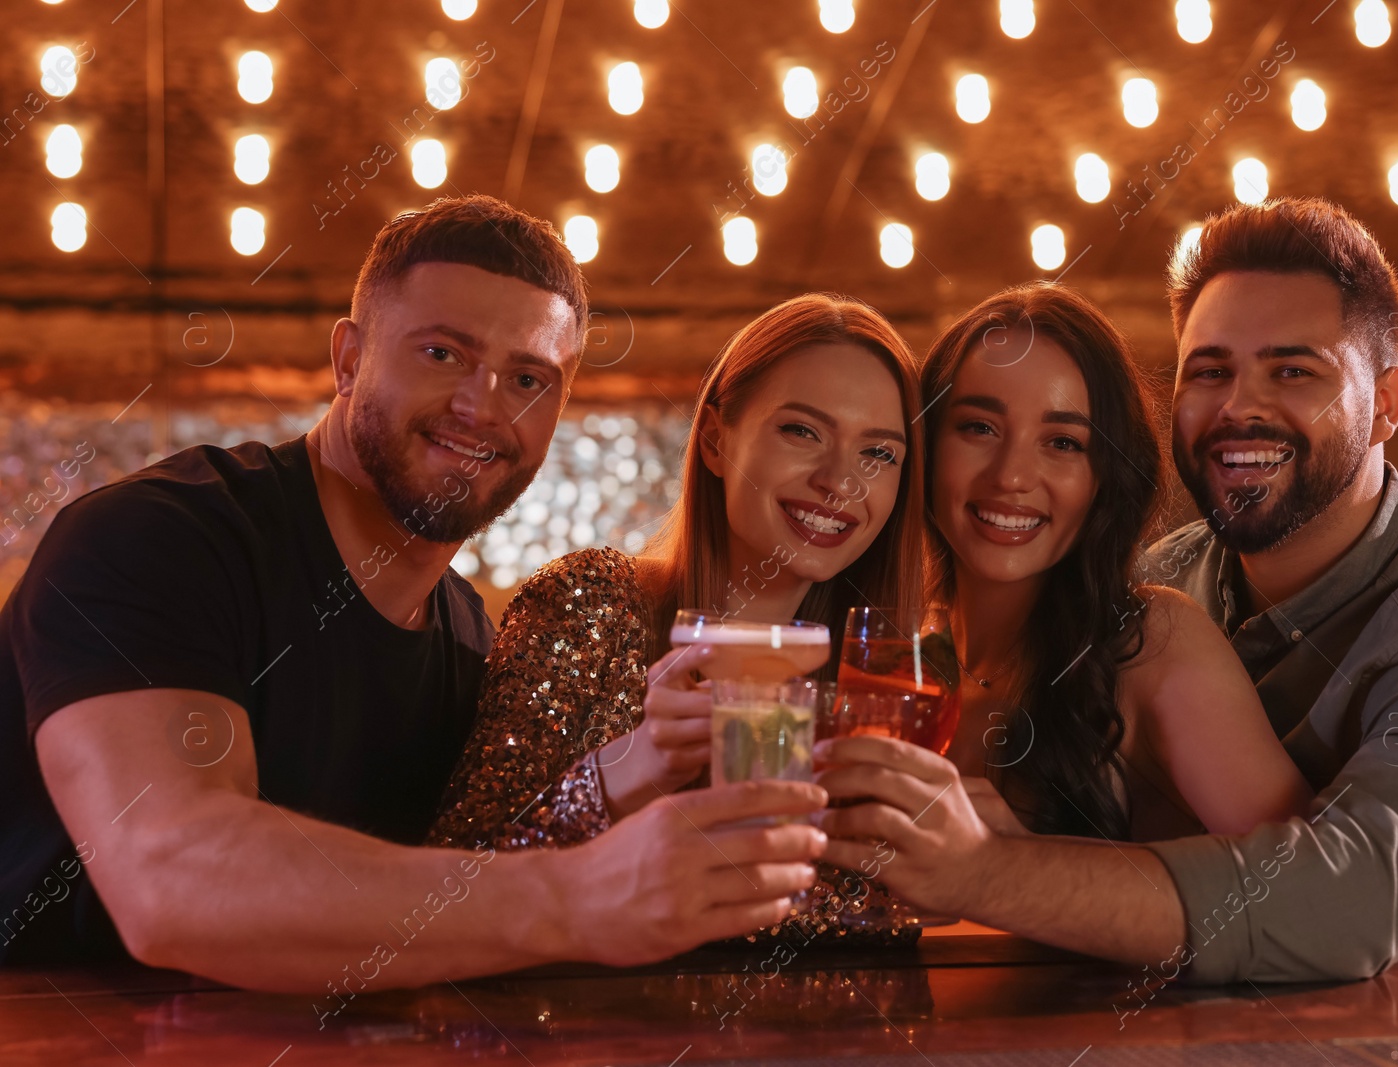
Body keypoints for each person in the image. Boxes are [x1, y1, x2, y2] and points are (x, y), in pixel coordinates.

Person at [0, 195, 827, 989]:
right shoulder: (164, 538)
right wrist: (576, 895)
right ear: (349, 357)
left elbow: (439, 901)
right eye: (443, 353)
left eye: (528, 378)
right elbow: (172, 884)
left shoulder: (471, 637)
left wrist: (634, 771)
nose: (481, 406)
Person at [814, 197, 1398, 984]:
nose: (1239, 405)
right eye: (1210, 370)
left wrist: (988, 870)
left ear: (1385, 404)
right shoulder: (1151, 580)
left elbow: (1346, 903)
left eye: (1292, 370)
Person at [427, 292, 924, 931]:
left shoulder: (882, 680)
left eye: (878, 454)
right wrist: (628, 770)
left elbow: (899, 910)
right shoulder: (591, 602)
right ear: (716, 441)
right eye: (802, 431)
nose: (840, 481)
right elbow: (446, 886)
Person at [914, 282, 1310, 845]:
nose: (1010, 476)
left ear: (1106, 479)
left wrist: (1020, 867)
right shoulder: (901, 655)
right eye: (979, 428)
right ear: (926, 445)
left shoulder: (1153, 643)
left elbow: (1313, 895)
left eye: (1063, 443)